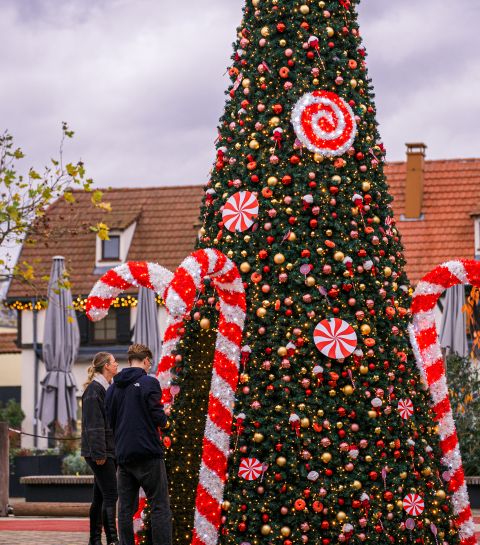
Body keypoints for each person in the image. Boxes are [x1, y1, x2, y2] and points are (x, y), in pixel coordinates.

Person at [106, 343, 171, 545]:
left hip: (124, 455)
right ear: (144, 360)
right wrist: (167, 419)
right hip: (148, 452)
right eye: (149, 363)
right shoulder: (149, 383)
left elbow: (110, 419)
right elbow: (157, 416)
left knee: (125, 508)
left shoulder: (113, 388)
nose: (149, 366)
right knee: (159, 505)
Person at [81, 352, 119, 545]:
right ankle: (113, 539)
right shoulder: (94, 391)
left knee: (100, 496)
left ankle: (95, 540)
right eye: (114, 362)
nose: (117, 364)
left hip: (105, 450)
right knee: (111, 494)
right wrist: (99, 453)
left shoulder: (105, 388)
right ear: (106, 366)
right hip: (100, 452)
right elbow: (94, 425)